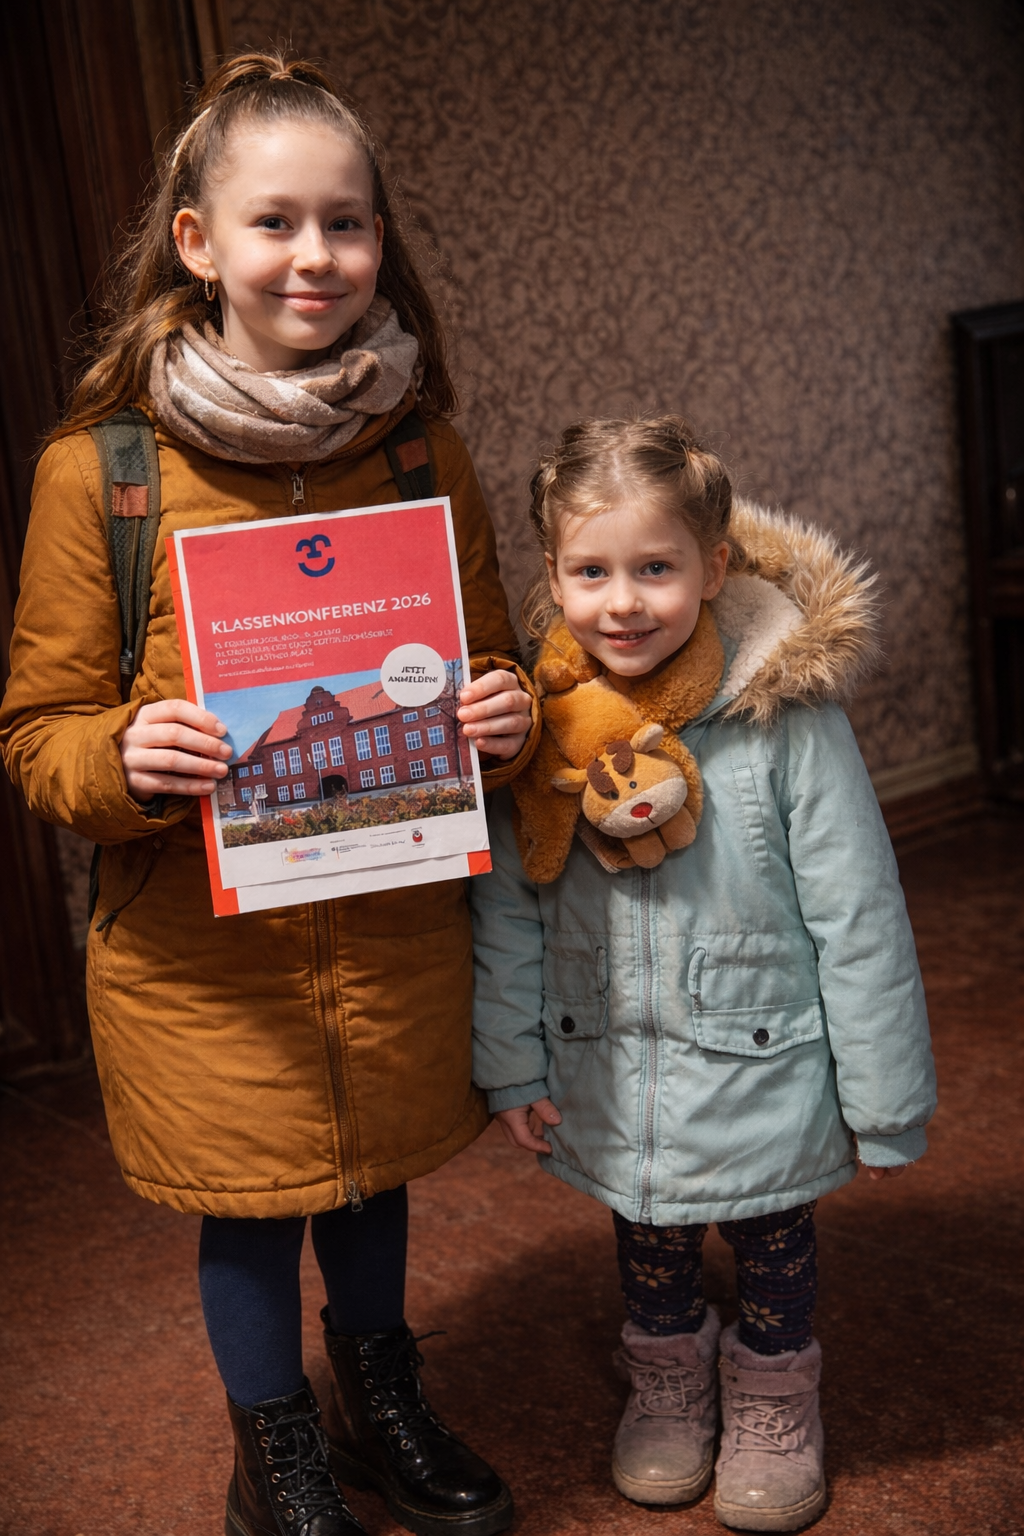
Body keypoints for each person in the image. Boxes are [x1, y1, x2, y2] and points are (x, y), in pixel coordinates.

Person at [0, 51, 539, 1536]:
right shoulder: (97, 475)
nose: (317, 256)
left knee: (369, 1179)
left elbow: (491, 662)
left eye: (348, 224)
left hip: (389, 914)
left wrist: (509, 710)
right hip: (201, 955)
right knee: (247, 1204)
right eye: (276, 222)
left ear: (381, 239)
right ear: (198, 243)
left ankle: (382, 1403)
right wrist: (121, 758)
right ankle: (277, 1449)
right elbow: (41, 729)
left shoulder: (426, 449)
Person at [469, 417, 936, 1533]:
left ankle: (775, 1395)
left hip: (762, 1056)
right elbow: (508, 905)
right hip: (610, 1059)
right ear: (554, 577)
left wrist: (884, 1104)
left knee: (772, 1238)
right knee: (651, 1234)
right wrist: (508, 1063)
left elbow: (857, 915)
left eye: (654, 568)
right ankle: (669, 1388)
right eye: (590, 572)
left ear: (713, 569)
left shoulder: (786, 720)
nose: (621, 601)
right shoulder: (537, 728)